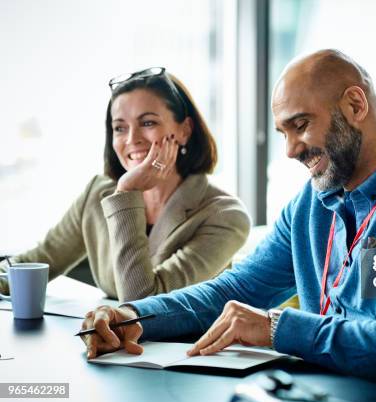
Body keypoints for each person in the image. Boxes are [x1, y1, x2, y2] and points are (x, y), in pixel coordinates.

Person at [81, 50, 376, 383]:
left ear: (355, 105)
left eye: (300, 125)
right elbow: (237, 290)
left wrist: (280, 328)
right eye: (283, 132)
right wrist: (136, 315)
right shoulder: (311, 204)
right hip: (314, 392)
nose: (291, 150)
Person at [0, 67, 250, 302]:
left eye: (148, 123)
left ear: (184, 130)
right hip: (108, 345)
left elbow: (142, 303)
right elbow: (36, 261)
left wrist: (128, 193)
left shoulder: (226, 216)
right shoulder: (97, 194)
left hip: (184, 347)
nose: (132, 139)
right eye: (120, 128)